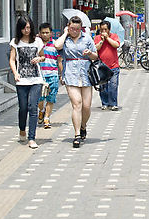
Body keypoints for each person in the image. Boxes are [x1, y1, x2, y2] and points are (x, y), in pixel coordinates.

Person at [54, 16, 98, 148]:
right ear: (68, 26)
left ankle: (83, 125)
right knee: (76, 104)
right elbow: (57, 46)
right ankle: (77, 134)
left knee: (86, 106)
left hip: (85, 74)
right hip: (70, 74)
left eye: (77, 29)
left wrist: (90, 53)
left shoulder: (87, 38)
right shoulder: (65, 38)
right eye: (72, 28)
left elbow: (96, 56)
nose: (75, 31)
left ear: (81, 28)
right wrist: (66, 33)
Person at [9, 16, 45, 149]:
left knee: (33, 107)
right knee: (23, 108)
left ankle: (32, 138)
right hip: (21, 79)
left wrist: (39, 59)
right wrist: (15, 73)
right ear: (20, 28)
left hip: (36, 79)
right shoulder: (15, 42)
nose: (27, 30)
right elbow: (12, 60)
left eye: (29, 27)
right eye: (24, 28)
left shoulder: (37, 41)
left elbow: (43, 56)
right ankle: (22, 129)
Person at [36, 23, 62, 130]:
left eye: (47, 32)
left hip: (53, 75)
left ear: (51, 33)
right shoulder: (36, 44)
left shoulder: (56, 45)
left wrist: (62, 75)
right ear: (39, 33)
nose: (45, 34)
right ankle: (41, 111)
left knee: (51, 98)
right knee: (40, 99)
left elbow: (60, 61)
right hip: (40, 76)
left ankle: (47, 117)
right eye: (43, 33)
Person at [94, 20, 121, 111]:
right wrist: (101, 41)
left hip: (114, 66)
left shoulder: (114, 36)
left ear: (109, 30)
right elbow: (95, 49)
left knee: (113, 85)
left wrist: (108, 39)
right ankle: (104, 103)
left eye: (105, 29)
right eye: (102, 30)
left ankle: (113, 103)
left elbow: (116, 45)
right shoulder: (97, 38)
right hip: (102, 67)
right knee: (103, 86)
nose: (103, 32)